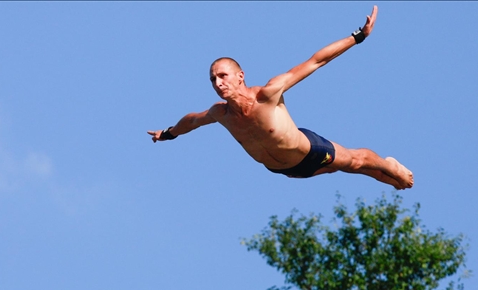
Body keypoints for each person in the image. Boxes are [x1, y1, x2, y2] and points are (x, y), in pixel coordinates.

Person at [147, 6, 413, 190]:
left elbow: (316, 61)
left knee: (354, 162)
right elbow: (192, 121)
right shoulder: (221, 113)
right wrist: (169, 133)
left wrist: (358, 36)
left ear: (240, 76)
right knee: (343, 169)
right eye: (213, 79)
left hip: (310, 151)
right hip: (285, 171)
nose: (218, 83)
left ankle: (390, 167)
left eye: (223, 76)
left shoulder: (268, 94)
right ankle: (389, 175)